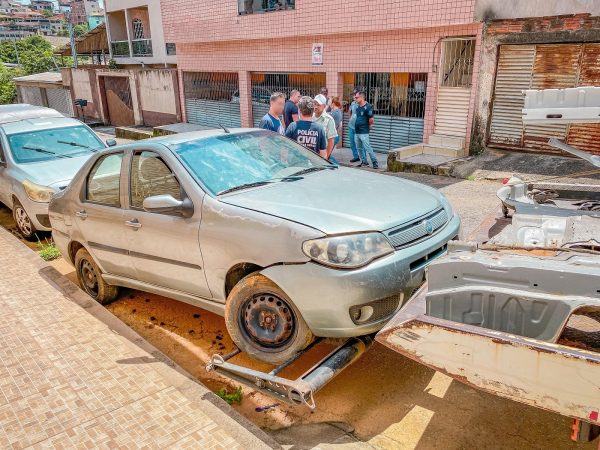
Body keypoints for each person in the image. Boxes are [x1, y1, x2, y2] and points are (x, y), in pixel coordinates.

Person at [354, 90, 379, 169]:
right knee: (359, 148)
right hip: (357, 131)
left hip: (364, 131)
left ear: (361, 97)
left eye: (356, 97)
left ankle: (374, 162)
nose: (355, 99)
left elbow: (371, 119)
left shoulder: (368, 107)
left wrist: (370, 125)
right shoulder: (358, 108)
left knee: (367, 147)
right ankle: (364, 162)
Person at [313, 94, 338, 163]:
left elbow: (331, 141)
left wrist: (326, 157)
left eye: (318, 105)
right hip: (310, 155)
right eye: (314, 104)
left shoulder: (329, 119)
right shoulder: (310, 117)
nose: (315, 107)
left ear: (324, 106)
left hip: (321, 155)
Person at [347, 89, 360, 163]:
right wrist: (350, 118)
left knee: (359, 143)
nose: (353, 96)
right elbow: (350, 111)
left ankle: (362, 157)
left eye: (354, 94)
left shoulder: (362, 103)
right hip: (351, 126)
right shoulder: (352, 103)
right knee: (352, 143)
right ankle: (356, 156)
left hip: (358, 127)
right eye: (353, 94)